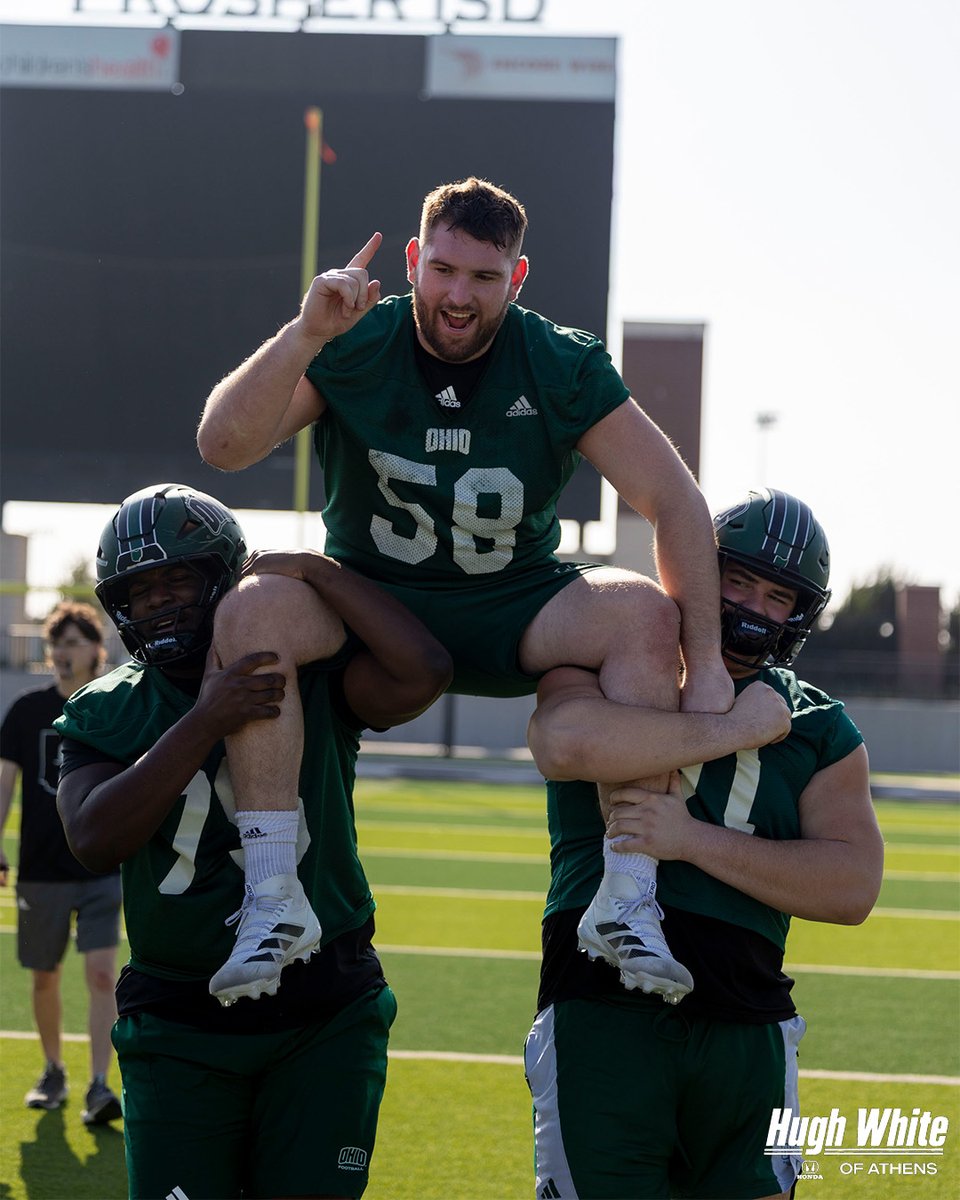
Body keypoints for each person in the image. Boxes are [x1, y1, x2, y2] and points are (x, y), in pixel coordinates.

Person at [197, 175, 733, 1002]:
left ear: (516, 280)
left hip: (512, 599)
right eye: (445, 270)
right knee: (253, 605)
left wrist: (707, 658)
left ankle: (628, 896)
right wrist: (301, 337)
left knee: (639, 612)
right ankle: (273, 894)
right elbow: (223, 447)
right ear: (414, 262)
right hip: (373, 604)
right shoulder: (352, 340)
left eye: (484, 278)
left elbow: (675, 499)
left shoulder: (556, 361)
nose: (459, 295)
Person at [55, 482, 451, 1199]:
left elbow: (423, 670)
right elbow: (92, 838)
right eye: (142, 591)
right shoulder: (106, 708)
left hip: (322, 1008)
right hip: (180, 1017)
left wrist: (319, 571)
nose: (163, 602)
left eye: (181, 578)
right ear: (120, 608)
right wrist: (206, 720)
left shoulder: (304, 676)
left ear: (225, 579)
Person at [523, 488, 885, 1200]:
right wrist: (735, 731)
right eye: (737, 578)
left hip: (747, 1019)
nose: (753, 605)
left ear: (801, 614)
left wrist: (689, 840)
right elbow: (564, 744)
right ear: (697, 570)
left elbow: (852, 888)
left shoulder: (815, 722)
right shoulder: (610, 658)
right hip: (604, 1008)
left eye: (779, 595)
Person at [0, 600, 123, 1125]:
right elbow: (5, 780)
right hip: (42, 868)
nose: (63, 654)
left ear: (98, 649)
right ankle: (53, 1070)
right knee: (44, 975)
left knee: (101, 975)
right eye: (57, 643)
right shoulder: (27, 709)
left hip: (102, 865)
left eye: (74, 642)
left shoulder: (116, 705)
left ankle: (99, 1084)